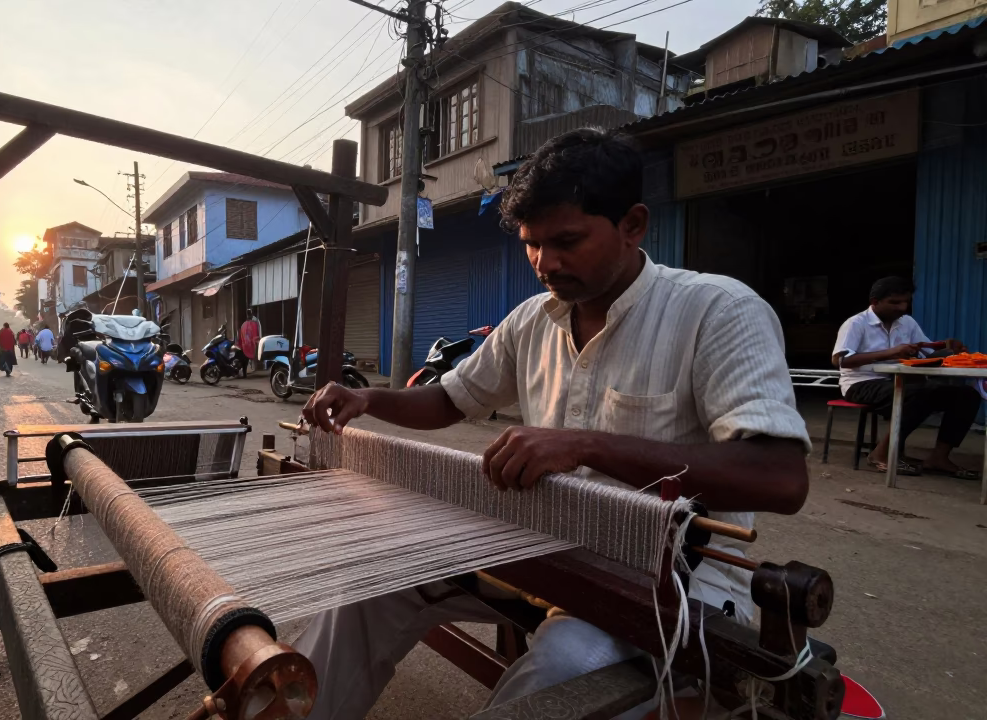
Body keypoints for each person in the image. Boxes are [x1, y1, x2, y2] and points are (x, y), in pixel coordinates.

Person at [297, 128, 811, 720]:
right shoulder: (532, 322)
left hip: (666, 584)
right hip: (543, 552)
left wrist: (585, 445)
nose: (546, 263)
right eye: (532, 244)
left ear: (633, 224)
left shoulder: (718, 311)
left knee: (558, 676)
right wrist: (368, 399)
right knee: (370, 581)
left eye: (567, 241)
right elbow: (451, 400)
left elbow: (779, 478)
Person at [832, 276, 981, 479]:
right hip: (861, 384)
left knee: (967, 395)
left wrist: (950, 351)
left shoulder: (907, 322)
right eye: (895, 302)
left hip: (900, 382)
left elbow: (929, 354)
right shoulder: (856, 323)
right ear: (875, 302)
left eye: (905, 302)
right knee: (919, 394)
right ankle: (881, 453)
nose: (902, 307)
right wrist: (891, 352)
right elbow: (840, 360)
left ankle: (939, 457)